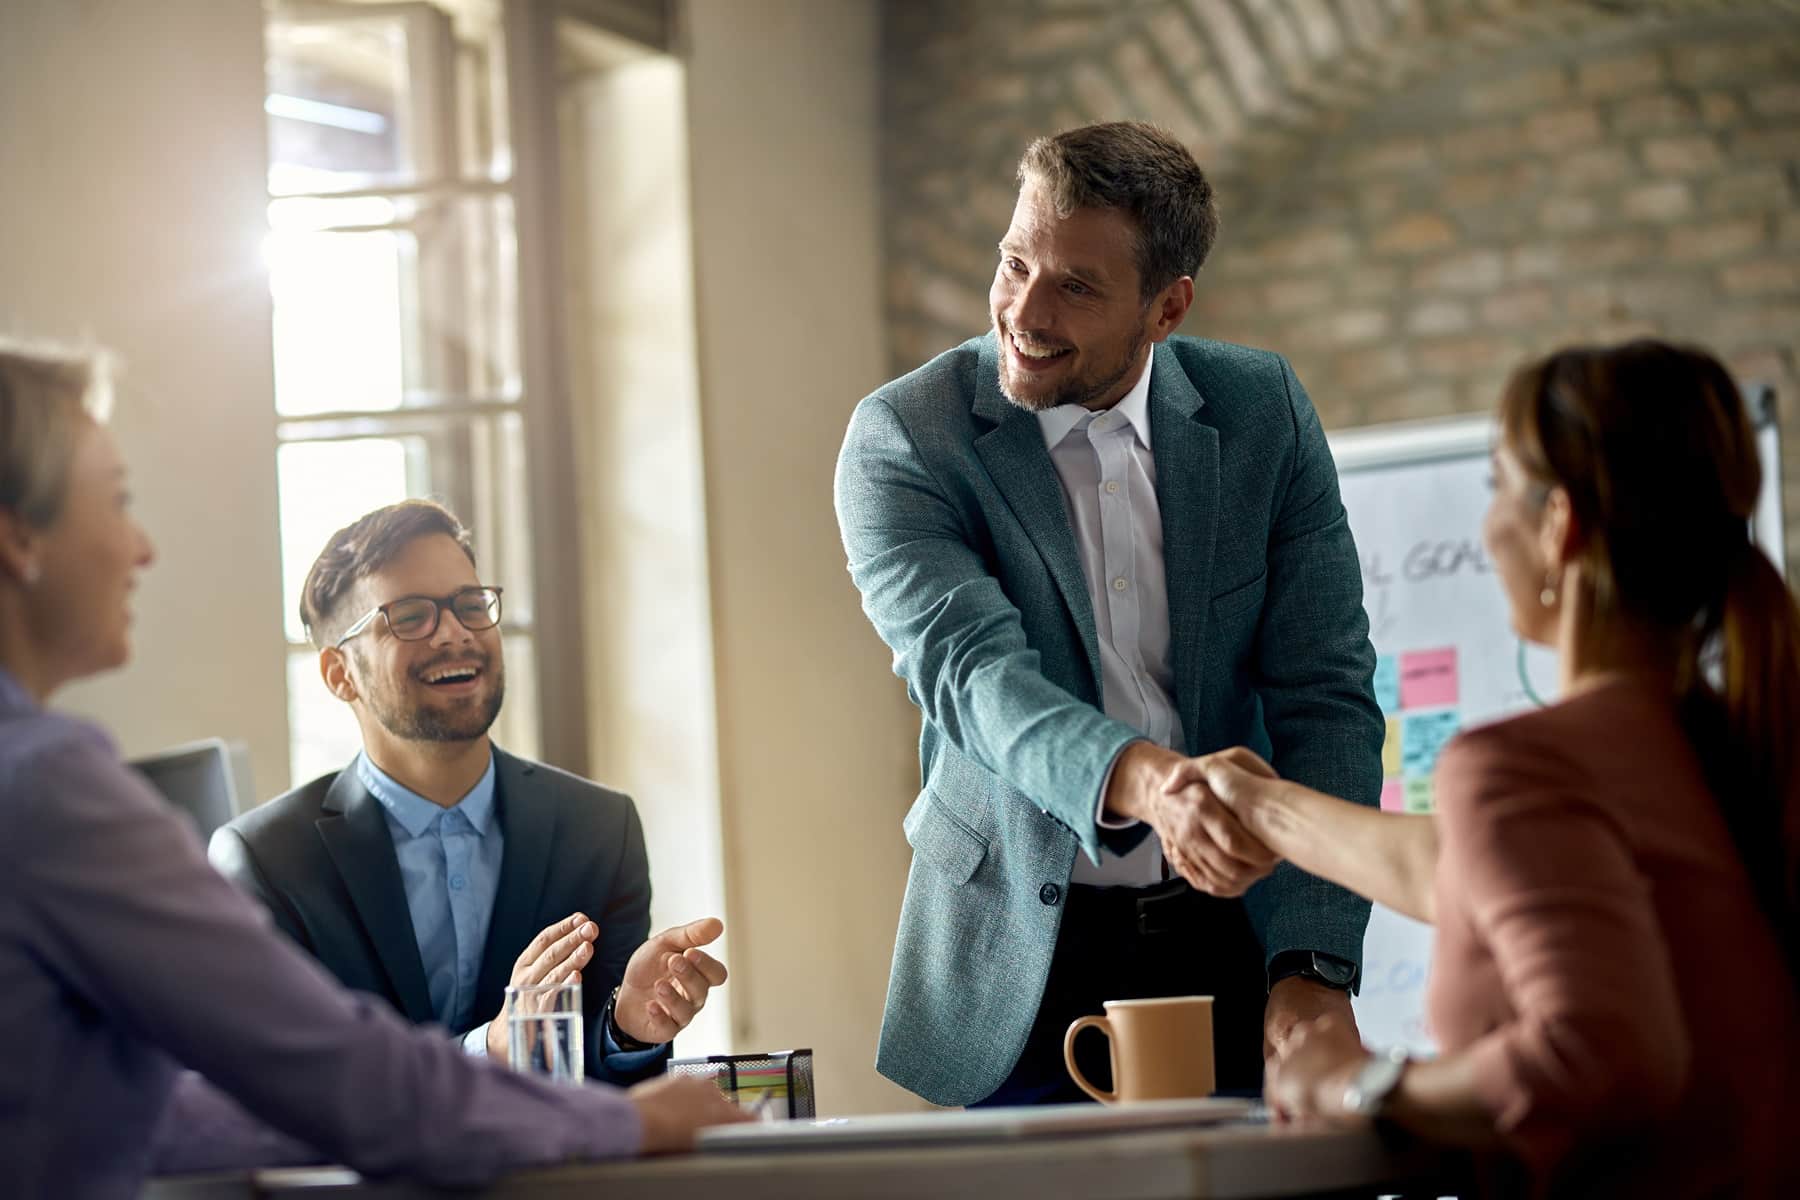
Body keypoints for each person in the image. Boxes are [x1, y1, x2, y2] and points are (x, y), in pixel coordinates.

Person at [0, 339, 745, 1197]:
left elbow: (176, 1113)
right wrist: (629, 1122)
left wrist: (620, 1042)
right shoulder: (47, 786)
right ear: (20, 537)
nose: (143, 549)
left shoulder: (597, 824)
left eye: (470, 606)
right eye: (118, 501)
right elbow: (332, 1077)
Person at [833, 121, 1384, 1107]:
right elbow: (974, 678)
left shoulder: (1262, 411)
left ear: (1167, 307)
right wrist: (1159, 787)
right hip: (1015, 959)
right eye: (1013, 262)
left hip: (1239, 931)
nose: (1023, 311)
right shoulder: (906, 439)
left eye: (1075, 287)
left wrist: (1315, 963)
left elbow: (1326, 694)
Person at [1188, 340, 1800, 1196]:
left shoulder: (1524, 766)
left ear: (1560, 526)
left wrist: (1353, 1083)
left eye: (1500, 487)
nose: (1490, 526)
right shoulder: (1733, 749)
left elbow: (1597, 1050)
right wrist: (1261, 806)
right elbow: (1468, 872)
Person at [210, 500, 721, 1084]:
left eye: (471, 605)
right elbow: (292, 1085)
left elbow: (599, 1085)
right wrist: (491, 1049)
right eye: (410, 616)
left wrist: (627, 1025)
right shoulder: (265, 863)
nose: (455, 633)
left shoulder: (601, 829)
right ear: (339, 674)